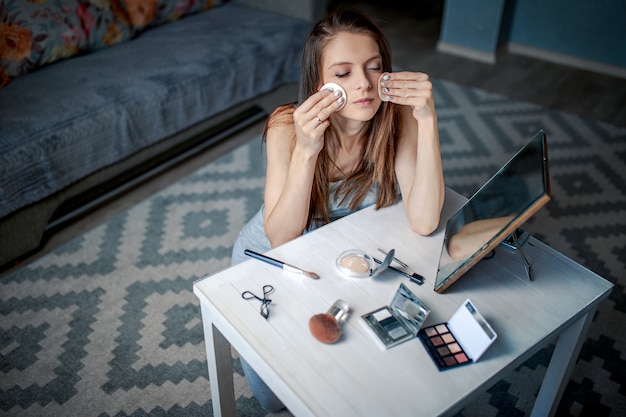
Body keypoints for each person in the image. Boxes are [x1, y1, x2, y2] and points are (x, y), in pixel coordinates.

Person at [230, 8, 445, 412]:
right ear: (318, 83)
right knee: (275, 398)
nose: (363, 84)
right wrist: (307, 150)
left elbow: (424, 219)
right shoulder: (285, 127)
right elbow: (282, 238)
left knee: (346, 369)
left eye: (374, 67)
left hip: (343, 249)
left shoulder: (398, 116)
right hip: (272, 256)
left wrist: (428, 118)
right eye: (343, 73)